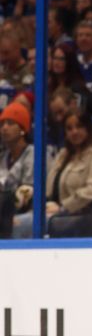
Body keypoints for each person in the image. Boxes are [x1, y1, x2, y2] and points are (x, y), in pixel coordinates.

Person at [13, 111, 92, 238]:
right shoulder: (63, 154)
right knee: (14, 221)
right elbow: (49, 186)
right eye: (69, 128)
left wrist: (63, 207)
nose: (74, 131)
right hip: (51, 212)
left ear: (88, 128)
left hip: (76, 215)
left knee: (20, 224)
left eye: (79, 126)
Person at [0, 102, 33, 238]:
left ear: (23, 129)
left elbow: (29, 191)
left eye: (10, 123)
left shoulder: (33, 154)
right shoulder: (3, 156)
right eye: (2, 124)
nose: (4, 128)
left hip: (28, 211)